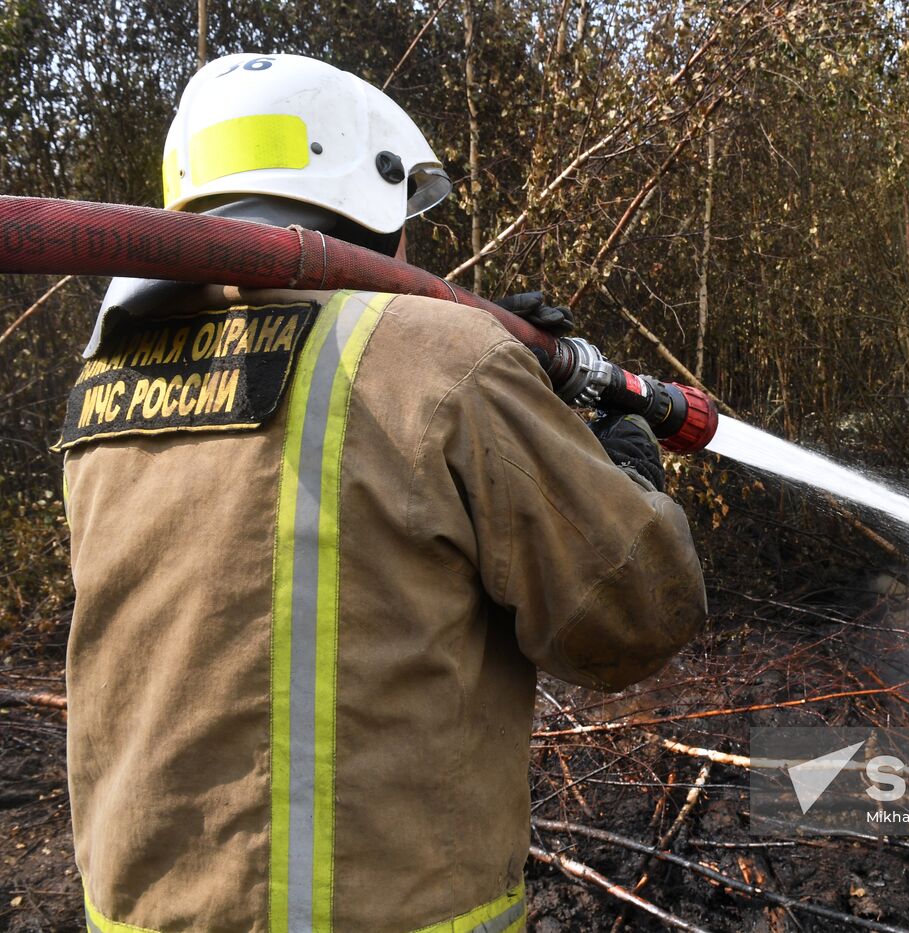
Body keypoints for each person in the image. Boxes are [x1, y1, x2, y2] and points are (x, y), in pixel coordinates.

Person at [60, 52, 706, 933]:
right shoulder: (441, 357)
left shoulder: (105, 379)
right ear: (364, 193)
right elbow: (633, 619)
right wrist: (622, 461)